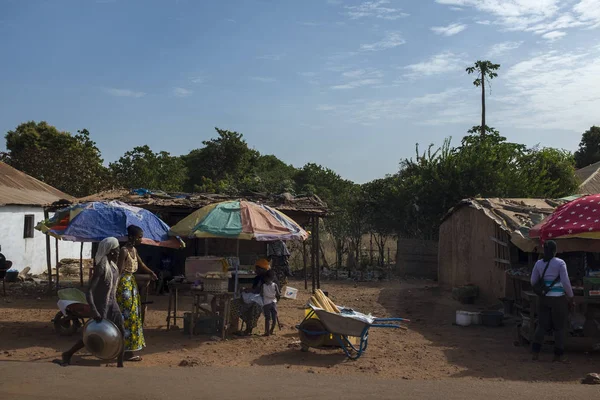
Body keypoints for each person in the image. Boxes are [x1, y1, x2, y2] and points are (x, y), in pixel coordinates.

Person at [55, 237, 125, 367]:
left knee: (121, 331)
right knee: (95, 334)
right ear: (110, 251)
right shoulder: (102, 267)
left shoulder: (113, 266)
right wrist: (94, 309)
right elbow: (90, 292)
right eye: (117, 249)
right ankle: (68, 354)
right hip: (102, 305)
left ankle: (120, 364)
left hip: (112, 303)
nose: (118, 252)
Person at [117, 225, 157, 362]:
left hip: (131, 285)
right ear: (133, 237)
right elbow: (119, 271)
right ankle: (125, 351)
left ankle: (128, 350)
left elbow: (141, 264)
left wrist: (150, 272)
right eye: (140, 237)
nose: (141, 239)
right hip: (124, 287)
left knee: (134, 317)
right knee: (128, 318)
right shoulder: (123, 251)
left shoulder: (134, 250)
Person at [530, 240, 574, 363]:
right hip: (558, 299)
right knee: (559, 328)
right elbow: (565, 282)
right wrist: (570, 296)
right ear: (555, 251)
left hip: (543, 298)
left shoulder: (539, 263)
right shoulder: (560, 263)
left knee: (541, 326)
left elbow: (533, 282)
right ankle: (557, 356)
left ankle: (535, 353)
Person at [231, 258, 271, 336]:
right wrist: (250, 291)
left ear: (262, 269)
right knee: (234, 304)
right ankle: (232, 327)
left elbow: (262, 292)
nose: (256, 270)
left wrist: (250, 291)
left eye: (257, 269)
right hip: (256, 298)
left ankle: (249, 329)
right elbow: (256, 290)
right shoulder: (259, 278)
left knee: (254, 307)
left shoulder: (269, 279)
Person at [261, 269, 280, 336]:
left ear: (266, 278)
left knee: (267, 318)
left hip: (266, 303)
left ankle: (267, 332)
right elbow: (278, 294)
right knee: (274, 317)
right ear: (273, 277)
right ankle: (271, 330)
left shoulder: (263, 286)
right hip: (273, 302)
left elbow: (261, 294)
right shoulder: (275, 285)